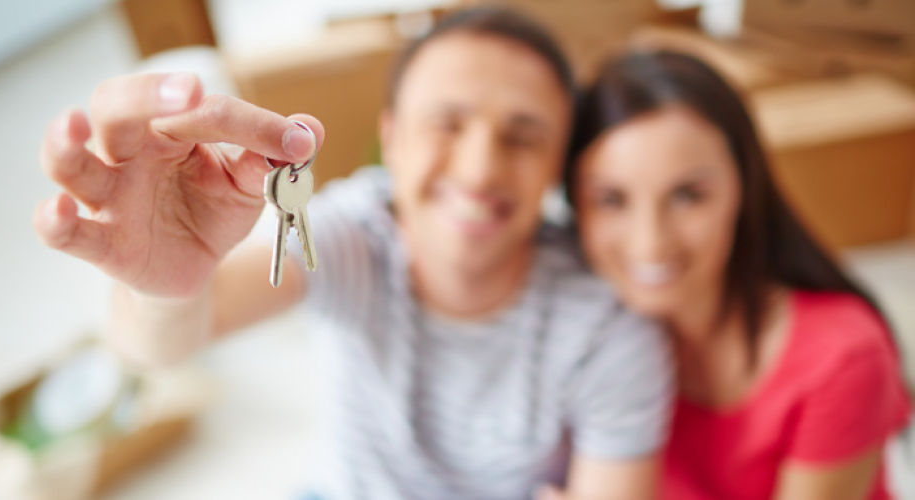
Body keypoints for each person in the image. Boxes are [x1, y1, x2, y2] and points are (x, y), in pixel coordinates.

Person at [33, 7, 673, 500]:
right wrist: (163, 287)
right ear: (390, 140)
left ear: (558, 166)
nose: (480, 170)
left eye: (523, 136)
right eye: (446, 124)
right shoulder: (355, 230)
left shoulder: (610, 330)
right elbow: (157, 345)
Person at [556, 50, 913, 500]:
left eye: (688, 195)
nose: (651, 242)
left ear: (742, 188)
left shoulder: (841, 358)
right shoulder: (584, 340)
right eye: (611, 200)